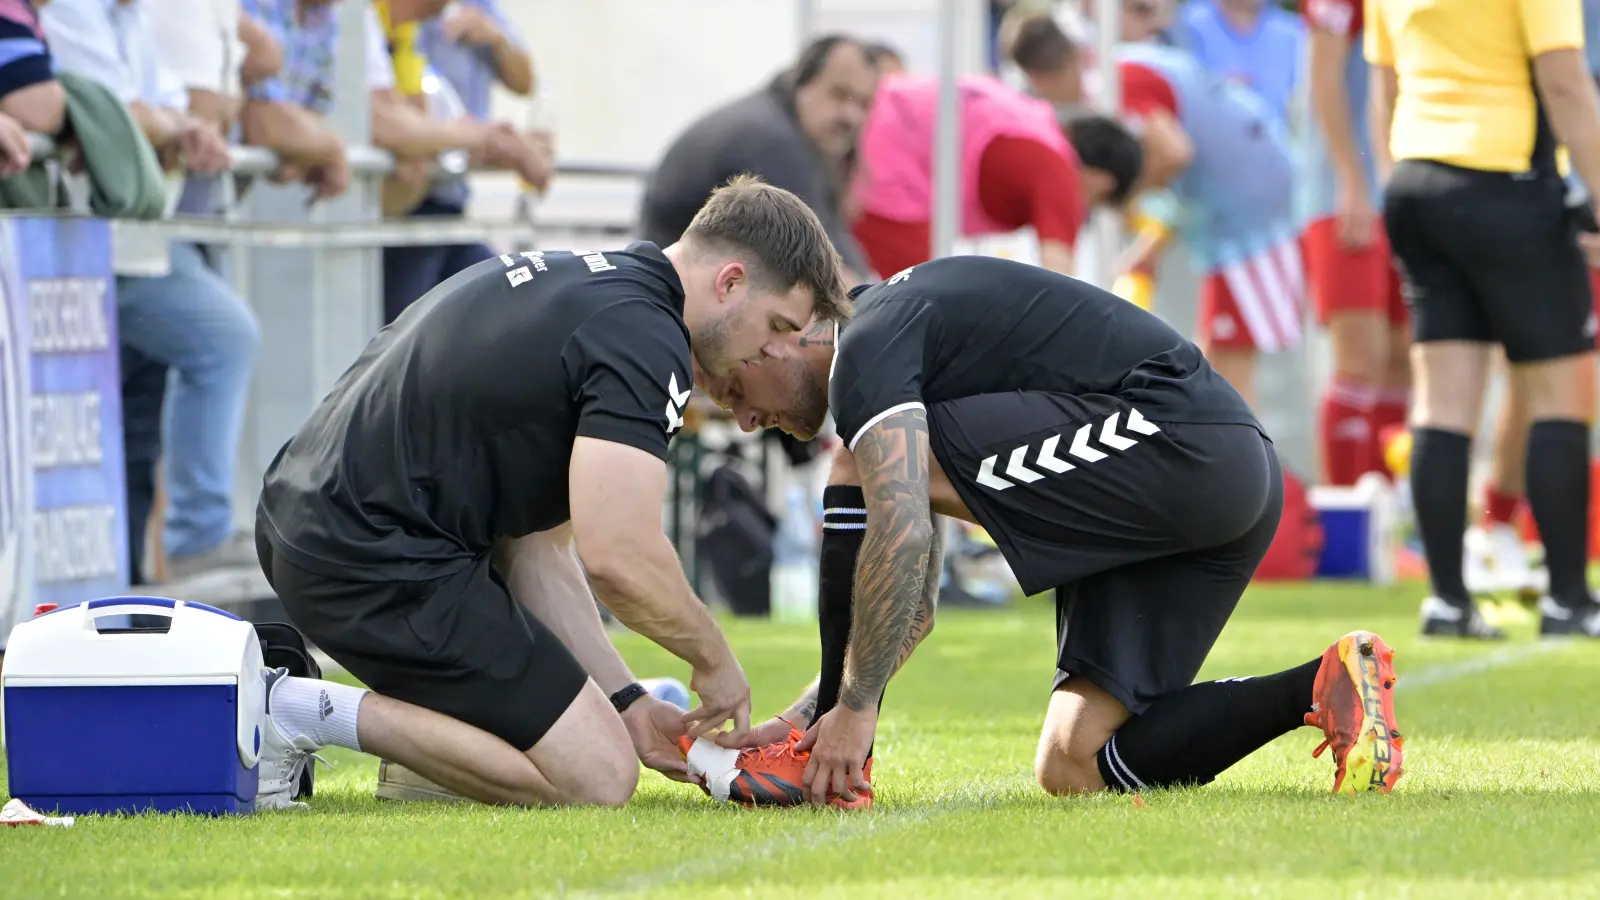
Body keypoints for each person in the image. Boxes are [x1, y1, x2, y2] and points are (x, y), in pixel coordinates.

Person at [693, 255, 1404, 808]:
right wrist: (811, 714)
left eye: (733, 392)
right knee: (1072, 762)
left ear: (778, 338)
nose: (747, 419)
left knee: (863, 460)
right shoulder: (894, 362)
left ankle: (824, 762)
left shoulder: (866, 350)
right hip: (1207, 481)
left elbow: (900, 535)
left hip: (1185, 446)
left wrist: (854, 714)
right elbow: (914, 607)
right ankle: (1322, 684)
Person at [250, 176, 852, 810]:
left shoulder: (594, 287)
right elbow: (618, 556)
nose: (771, 350)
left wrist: (628, 700)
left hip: (319, 519)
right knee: (597, 776)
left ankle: (437, 762)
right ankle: (291, 710)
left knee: (597, 742)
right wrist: (713, 657)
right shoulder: (647, 340)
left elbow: (538, 553)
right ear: (729, 283)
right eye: (777, 325)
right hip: (365, 552)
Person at [1368, 0, 1600, 638]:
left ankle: (1448, 602)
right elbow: (1565, 84)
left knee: (1442, 405)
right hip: (1507, 182)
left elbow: (1383, 91)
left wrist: (1399, 188)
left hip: (1415, 183)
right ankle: (1569, 602)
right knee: (1561, 396)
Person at [1009, 16, 1303, 408]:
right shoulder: (1124, 63)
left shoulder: (1114, 82)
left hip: (1244, 214)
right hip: (1237, 204)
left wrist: (1125, 195)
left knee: (1230, 366)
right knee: (1217, 354)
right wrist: (1149, 245)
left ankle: (1235, 463)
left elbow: (1173, 152)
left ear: (1042, 76)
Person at [850, 70, 1143, 278]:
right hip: (881, 177)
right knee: (930, 308)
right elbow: (1060, 283)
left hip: (865, 114)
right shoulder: (1059, 170)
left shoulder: (1028, 117)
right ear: (1103, 181)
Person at [640, 34, 877, 283]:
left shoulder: (781, 127)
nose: (852, 116)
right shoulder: (772, 142)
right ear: (803, 83)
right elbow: (821, 269)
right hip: (675, 297)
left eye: (864, 104)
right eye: (840, 95)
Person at [1297, 0, 1411, 491]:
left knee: (1403, 356)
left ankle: (1388, 519)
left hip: (1402, 191)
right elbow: (1324, 76)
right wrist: (1352, 179)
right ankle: (1345, 511)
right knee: (1359, 355)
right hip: (1343, 197)